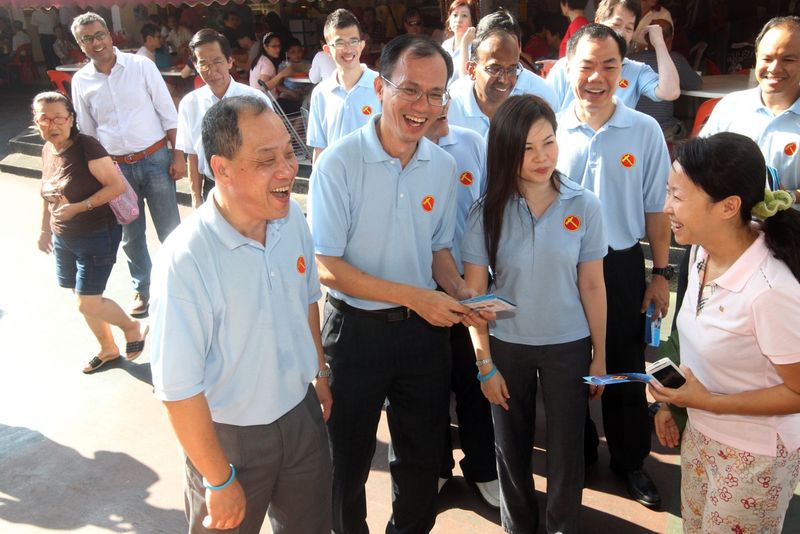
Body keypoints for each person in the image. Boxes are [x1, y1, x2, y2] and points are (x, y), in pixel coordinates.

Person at [309, 34, 477, 533]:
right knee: (346, 462)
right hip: (354, 335)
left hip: (423, 338)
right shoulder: (338, 164)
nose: (422, 106)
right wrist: (416, 297)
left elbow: (439, 249)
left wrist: (463, 295)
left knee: (422, 457)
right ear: (380, 87)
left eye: (435, 94)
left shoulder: (443, 166)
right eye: (410, 90)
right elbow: (327, 266)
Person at [150, 95, 332, 534]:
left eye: (289, 153)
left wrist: (318, 372)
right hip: (229, 439)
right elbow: (177, 388)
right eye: (266, 160)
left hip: (300, 418)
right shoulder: (187, 259)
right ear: (222, 169)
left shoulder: (293, 221)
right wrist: (218, 477)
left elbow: (307, 299)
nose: (287, 170)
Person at [463, 94, 607, 533]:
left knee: (567, 450)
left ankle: (562, 525)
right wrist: (484, 364)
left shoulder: (584, 205)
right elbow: (475, 295)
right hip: (508, 348)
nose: (542, 157)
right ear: (506, 151)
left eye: (548, 142)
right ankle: (519, 526)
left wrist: (599, 355)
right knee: (510, 449)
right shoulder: (485, 211)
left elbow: (593, 284)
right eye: (526, 148)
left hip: (568, 345)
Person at [652, 132, 800, 534]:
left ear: (729, 206)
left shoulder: (771, 291)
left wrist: (709, 402)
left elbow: (797, 393)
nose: (667, 207)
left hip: (755, 457)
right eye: (669, 192)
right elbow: (694, 341)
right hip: (702, 435)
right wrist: (671, 402)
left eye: (678, 197)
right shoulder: (700, 251)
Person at [556, 23, 671, 508]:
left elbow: (656, 210)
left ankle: (630, 461)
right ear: (568, 69)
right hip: (561, 266)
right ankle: (578, 453)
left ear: (624, 71)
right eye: (586, 65)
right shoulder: (551, 129)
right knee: (567, 362)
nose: (597, 77)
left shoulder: (643, 131)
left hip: (620, 265)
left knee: (624, 366)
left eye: (609, 65)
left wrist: (660, 274)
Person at [71, 12, 182, 319]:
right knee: (131, 235)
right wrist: (97, 175)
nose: (96, 43)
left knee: (170, 229)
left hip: (156, 159)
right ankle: (143, 287)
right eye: (87, 39)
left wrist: (178, 155)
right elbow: (87, 132)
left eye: (99, 35)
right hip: (117, 171)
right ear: (80, 45)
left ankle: (180, 283)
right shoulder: (81, 81)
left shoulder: (140, 66)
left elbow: (168, 113)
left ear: (110, 35)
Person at [33, 91, 148, 374]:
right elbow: (48, 193)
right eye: (44, 118)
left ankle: (131, 327)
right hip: (64, 237)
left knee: (88, 300)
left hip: (97, 233)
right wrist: (45, 229)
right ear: (36, 122)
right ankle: (108, 349)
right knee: (83, 300)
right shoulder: (48, 150)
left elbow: (115, 186)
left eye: (59, 117)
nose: (52, 124)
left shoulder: (88, 147)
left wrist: (78, 208)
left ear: (71, 119)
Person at [423, 104, 499, 507]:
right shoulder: (403, 154)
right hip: (419, 293)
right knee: (428, 385)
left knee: (474, 380)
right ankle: (436, 467)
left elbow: (491, 212)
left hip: (468, 287)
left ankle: (484, 469)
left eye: (441, 96)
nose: (437, 108)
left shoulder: (471, 144)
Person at [700, 16, 800, 202]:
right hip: (730, 226)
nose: (775, 68)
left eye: (788, 59)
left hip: (791, 228)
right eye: (767, 58)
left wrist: (791, 197)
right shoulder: (730, 107)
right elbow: (699, 163)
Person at [176, 30, 272, 209]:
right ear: (196, 65)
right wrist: (196, 201)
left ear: (230, 61)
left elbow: (272, 150)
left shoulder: (256, 100)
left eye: (217, 61)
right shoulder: (190, 104)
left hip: (254, 185)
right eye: (203, 63)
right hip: (213, 189)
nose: (211, 70)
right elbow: (193, 156)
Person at [545, 0, 681, 111]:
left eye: (628, 28)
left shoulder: (636, 70)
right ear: (598, 22)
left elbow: (671, 92)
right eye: (616, 24)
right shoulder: (565, 66)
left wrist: (659, 43)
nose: (621, 33)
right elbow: (544, 113)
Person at [448, 22, 558, 138]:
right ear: (471, 70)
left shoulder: (529, 111)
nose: (504, 79)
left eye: (512, 69)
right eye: (495, 69)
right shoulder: (449, 109)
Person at [306, 9, 381, 162]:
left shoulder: (382, 86)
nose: (348, 49)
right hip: (335, 182)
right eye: (339, 43)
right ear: (327, 50)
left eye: (353, 41)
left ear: (361, 45)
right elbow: (320, 149)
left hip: (375, 180)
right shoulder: (320, 93)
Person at [631, 18, 700, 143]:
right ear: (670, 39)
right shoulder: (675, 59)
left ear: (647, 39)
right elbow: (695, 84)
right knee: (689, 128)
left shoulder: (630, 60)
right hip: (662, 130)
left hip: (633, 129)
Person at [441, 0, 478, 81]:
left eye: (464, 15)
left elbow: (465, 79)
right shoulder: (445, 45)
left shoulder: (476, 48)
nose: (458, 20)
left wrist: (464, 44)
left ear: (472, 21)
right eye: (455, 15)